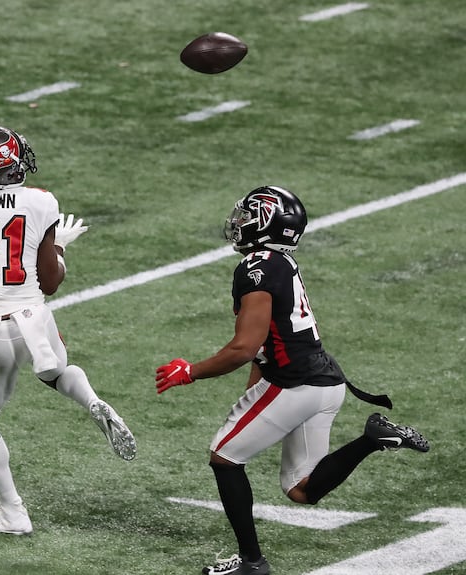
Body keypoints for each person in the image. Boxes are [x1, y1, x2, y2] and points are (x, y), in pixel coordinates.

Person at [155, 185, 429, 575]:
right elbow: (267, 343)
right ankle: (373, 439)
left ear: (266, 224)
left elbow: (245, 347)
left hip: (297, 386)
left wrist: (190, 371)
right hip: (326, 384)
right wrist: (254, 390)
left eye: (248, 216)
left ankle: (252, 563)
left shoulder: (257, 268)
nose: (239, 222)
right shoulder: (279, 262)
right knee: (301, 489)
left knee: (225, 457)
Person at [0, 124, 137, 535]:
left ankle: (13, 512)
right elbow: (51, 281)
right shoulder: (41, 203)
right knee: (55, 372)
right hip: (36, 318)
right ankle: (91, 398)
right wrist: (58, 245)